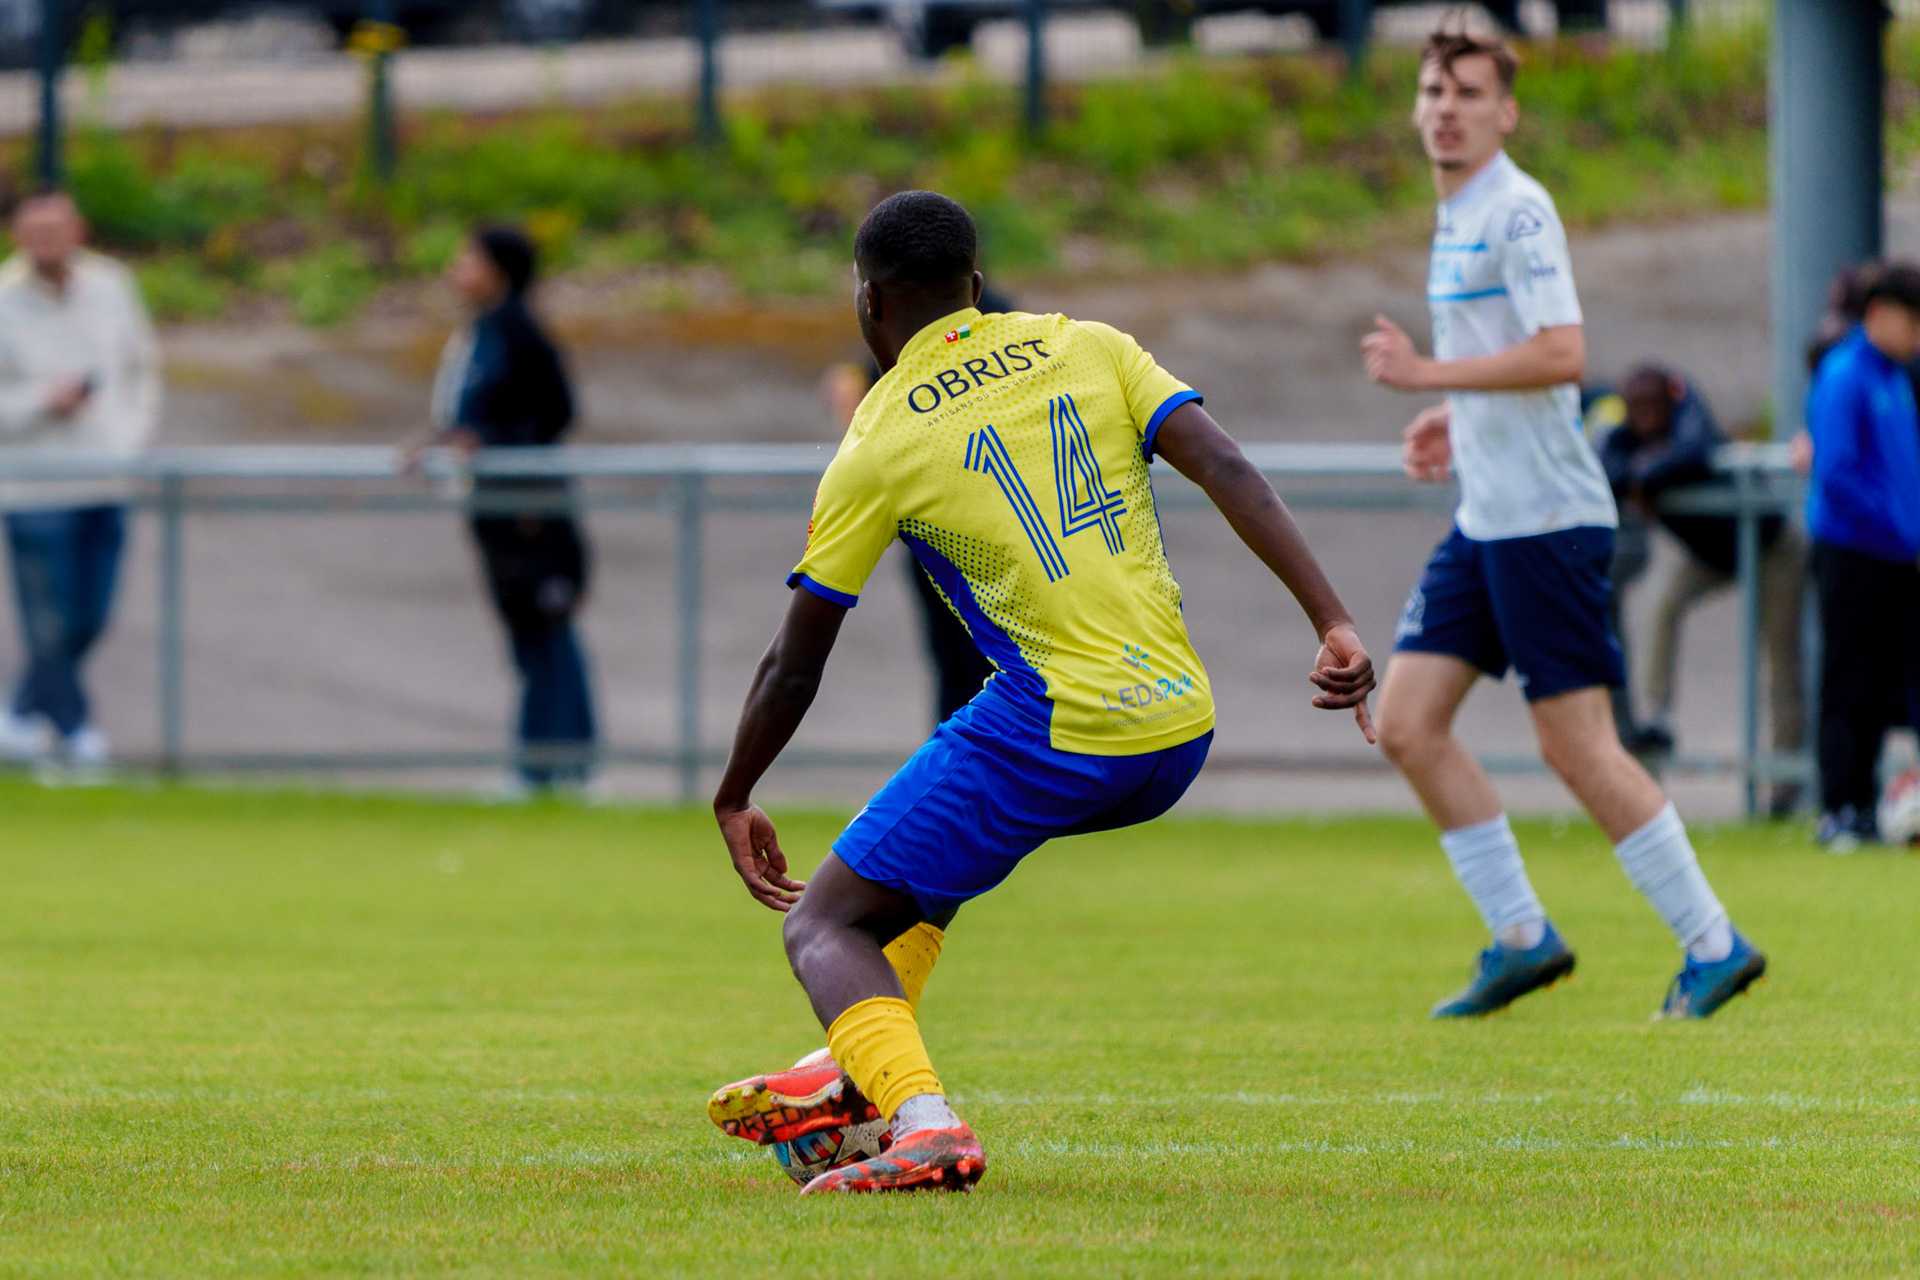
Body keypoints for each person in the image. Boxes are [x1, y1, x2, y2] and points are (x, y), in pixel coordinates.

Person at [703, 190, 1376, 1193]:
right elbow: (1228, 464)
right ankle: (847, 1079)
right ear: (975, 285)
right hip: (1178, 724)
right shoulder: (1090, 344)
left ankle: (920, 1120)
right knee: (927, 863)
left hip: (1058, 722)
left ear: (869, 306)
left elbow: (796, 658)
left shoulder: (878, 435)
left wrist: (735, 789)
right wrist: (1333, 619)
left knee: (825, 921)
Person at [1359, 29, 1765, 1021]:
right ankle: (1522, 936)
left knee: (1577, 745)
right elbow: (1512, 362)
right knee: (1407, 720)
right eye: (1431, 89)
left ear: (1507, 111)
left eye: (1467, 90)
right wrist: (1452, 418)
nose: (1444, 106)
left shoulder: (1519, 208)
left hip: (1544, 521)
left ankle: (1715, 945)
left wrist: (1428, 375)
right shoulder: (1457, 215)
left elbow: (1563, 354)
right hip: (1488, 514)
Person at [404, 226, 595, 794]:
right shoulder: (482, 331)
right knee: (527, 633)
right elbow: (474, 411)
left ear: (499, 269)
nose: (456, 268)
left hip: (531, 512)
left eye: (469, 258)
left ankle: (561, 767)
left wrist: (487, 442)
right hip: (495, 510)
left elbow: (554, 410)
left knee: (548, 630)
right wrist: (440, 440)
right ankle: (542, 763)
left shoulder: (519, 330)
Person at [0, 189, 161, 768]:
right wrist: (43, 401)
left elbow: (140, 368)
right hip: (34, 485)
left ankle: (20, 710)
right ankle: (75, 731)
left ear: (78, 231)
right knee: (49, 617)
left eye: (56, 231)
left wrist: (132, 437)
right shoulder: (5, 299)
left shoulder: (111, 286)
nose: (46, 244)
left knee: (92, 615)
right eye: (33, 233)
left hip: (105, 474)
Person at [1597, 365, 1804, 807]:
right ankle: (1656, 720)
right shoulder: (1622, 434)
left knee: (1781, 657)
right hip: (1708, 555)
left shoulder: (1690, 410)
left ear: (1668, 402)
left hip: (1767, 544)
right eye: (1639, 409)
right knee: (1658, 604)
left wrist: (1646, 476)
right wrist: (1641, 471)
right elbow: (1603, 466)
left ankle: (1786, 780)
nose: (1648, 417)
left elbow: (1697, 450)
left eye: (1655, 407)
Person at [821, 288, 1019, 726]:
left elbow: (864, 413)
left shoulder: (935, 321)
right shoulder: (945, 320)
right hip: (957, 532)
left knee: (980, 668)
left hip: (973, 530)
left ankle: (970, 767)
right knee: (962, 664)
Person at [1802, 263, 1920, 851]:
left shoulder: (1895, 378)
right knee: (1847, 680)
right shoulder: (1847, 374)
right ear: (1878, 314)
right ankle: (1837, 809)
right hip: (1852, 551)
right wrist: (1897, 526)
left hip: (1895, 555)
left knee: (1879, 686)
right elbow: (1838, 471)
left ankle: (1867, 808)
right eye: (1912, 320)